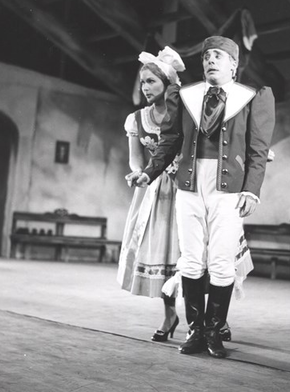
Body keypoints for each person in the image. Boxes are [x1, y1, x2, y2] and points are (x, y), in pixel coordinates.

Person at [132, 36, 275, 359]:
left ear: (233, 64)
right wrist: (150, 171)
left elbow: (258, 149)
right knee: (192, 260)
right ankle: (195, 330)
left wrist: (252, 190)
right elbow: (170, 140)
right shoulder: (185, 95)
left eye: (218, 56)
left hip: (230, 189)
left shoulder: (254, 97)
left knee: (222, 261)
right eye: (207, 56)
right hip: (190, 184)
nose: (211, 60)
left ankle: (214, 331)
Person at [117, 46, 185, 342]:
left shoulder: (184, 113)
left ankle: (211, 318)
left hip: (185, 187)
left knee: (193, 253)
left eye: (151, 82)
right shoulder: (137, 118)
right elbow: (135, 157)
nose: (145, 88)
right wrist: (139, 171)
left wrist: (176, 166)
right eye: (143, 82)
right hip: (154, 190)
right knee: (162, 253)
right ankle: (170, 314)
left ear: (168, 84)